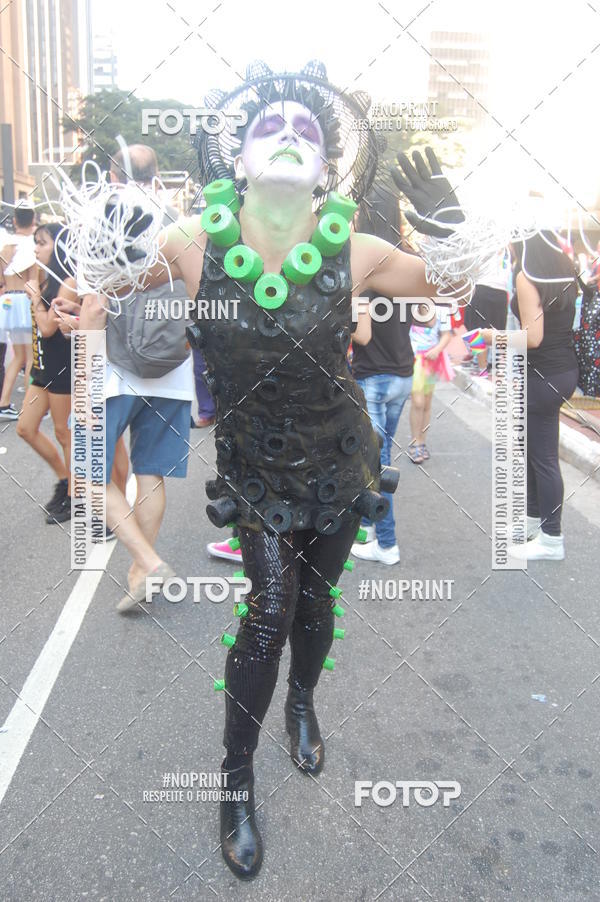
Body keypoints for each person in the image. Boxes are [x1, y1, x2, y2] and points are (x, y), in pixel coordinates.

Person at [76, 61, 469, 880]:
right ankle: (235, 780)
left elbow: (441, 284)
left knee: (317, 600)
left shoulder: (356, 248)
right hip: (255, 466)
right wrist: (107, 224)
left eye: (307, 130)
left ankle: (302, 702)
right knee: (269, 609)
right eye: (269, 127)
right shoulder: (194, 243)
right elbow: (109, 279)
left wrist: (444, 223)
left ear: (326, 166)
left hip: (340, 457)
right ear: (239, 158)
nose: (289, 135)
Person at [81, 143, 194, 611]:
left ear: (111, 176)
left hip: (114, 367)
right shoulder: (182, 224)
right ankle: (137, 573)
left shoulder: (104, 217)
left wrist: (85, 370)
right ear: (156, 175)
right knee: (151, 474)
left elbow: (93, 308)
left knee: (88, 472)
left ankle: (146, 562)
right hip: (174, 368)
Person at [483, 231, 579, 561]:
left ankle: (551, 539)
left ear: (522, 244)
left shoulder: (528, 277)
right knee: (534, 453)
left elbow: (532, 337)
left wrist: (491, 337)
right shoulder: (565, 268)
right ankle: (532, 521)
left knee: (542, 458)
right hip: (563, 370)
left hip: (542, 376)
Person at [350, 189, 416, 566]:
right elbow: (424, 315)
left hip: (372, 376)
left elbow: (362, 334)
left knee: (376, 461)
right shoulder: (407, 260)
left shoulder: (365, 265)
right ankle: (372, 529)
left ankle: (386, 544)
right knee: (379, 455)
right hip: (402, 373)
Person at [16, 224, 77, 522]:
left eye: (42, 243)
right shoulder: (41, 277)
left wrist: (35, 299)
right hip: (42, 368)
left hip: (63, 366)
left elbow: (49, 326)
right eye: (35, 242)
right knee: (25, 427)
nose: (37, 248)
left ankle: (74, 497)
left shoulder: (67, 280)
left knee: (64, 433)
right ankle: (65, 479)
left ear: (59, 246)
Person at [0, 206, 36, 419]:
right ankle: (28, 406)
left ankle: (4, 403)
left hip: (7, 302)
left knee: (18, 356)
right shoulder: (31, 245)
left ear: (14, 220)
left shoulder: (6, 246)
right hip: (24, 301)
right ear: (32, 220)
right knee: (31, 357)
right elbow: (34, 279)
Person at [407, 303, 455, 463]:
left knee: (427, 403)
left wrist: (437, 349)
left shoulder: (442, 308)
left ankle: (421, 442)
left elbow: (447, 335)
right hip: (413, 359)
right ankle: (414, 442)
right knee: (418, 402)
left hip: (432, 361)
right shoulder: (409, 304)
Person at [462, 251, 510, 376]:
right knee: (496, 331)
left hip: (482, 286)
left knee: (476, 331)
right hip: (501, 292)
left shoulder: (482, 241)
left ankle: (482, 368)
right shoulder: (507, 245)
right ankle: (497, 369)